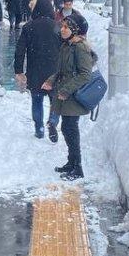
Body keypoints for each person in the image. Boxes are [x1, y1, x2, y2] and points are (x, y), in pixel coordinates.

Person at [45, 12, 97, 180]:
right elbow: (61, 71)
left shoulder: (80, 47)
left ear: (74, 30)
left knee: (71, 130)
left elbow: (85, 75)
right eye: (63, 26)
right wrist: (51, 81)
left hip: (72, 97)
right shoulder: (67, 45)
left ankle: (78, 168)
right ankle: (71, 162)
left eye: (66, 27)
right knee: (67, 130)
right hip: (64, 95)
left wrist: (66, 90)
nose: (62, 29)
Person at [14, 0, 62, 140]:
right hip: (54, 71)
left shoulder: (29, 27)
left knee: (37, 100)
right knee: (55, 100)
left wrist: (19, 71)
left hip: (35, 70)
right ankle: (53, 122)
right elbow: (65, 50)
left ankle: (39, 128)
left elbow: (20, 50)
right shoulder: (58, 27)